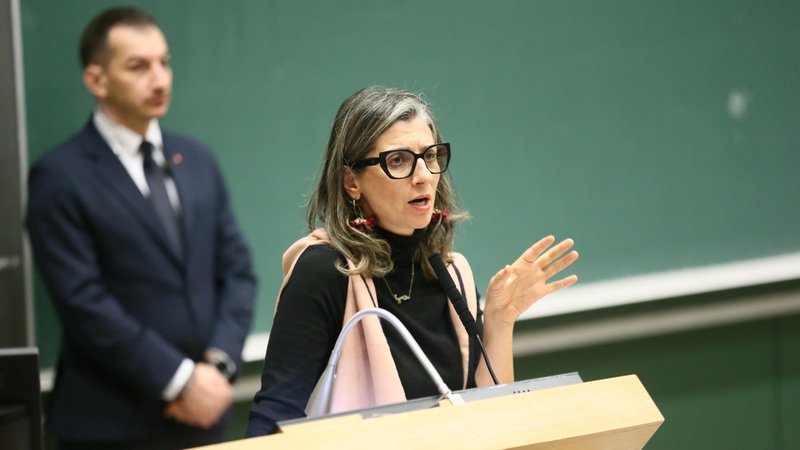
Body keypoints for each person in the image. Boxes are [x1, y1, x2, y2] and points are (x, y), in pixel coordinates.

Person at [246, 86, 578, 436]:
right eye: (398, 160)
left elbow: (493, 419)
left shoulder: (450, 273)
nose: (423, 176)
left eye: (430, 156)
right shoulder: (324, 270)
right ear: (351, 181)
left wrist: (499, 321)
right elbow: (276, 414)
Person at [25, 7, 256, 449]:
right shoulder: (60, 175)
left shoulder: (198, 160)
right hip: (110, 425)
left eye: (164, 62)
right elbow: (83, 303)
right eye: (138, 66)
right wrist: (180, 380)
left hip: (206, 415)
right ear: (97, 80)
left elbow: (238, 271)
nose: (160, 79)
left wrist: (218, 366)